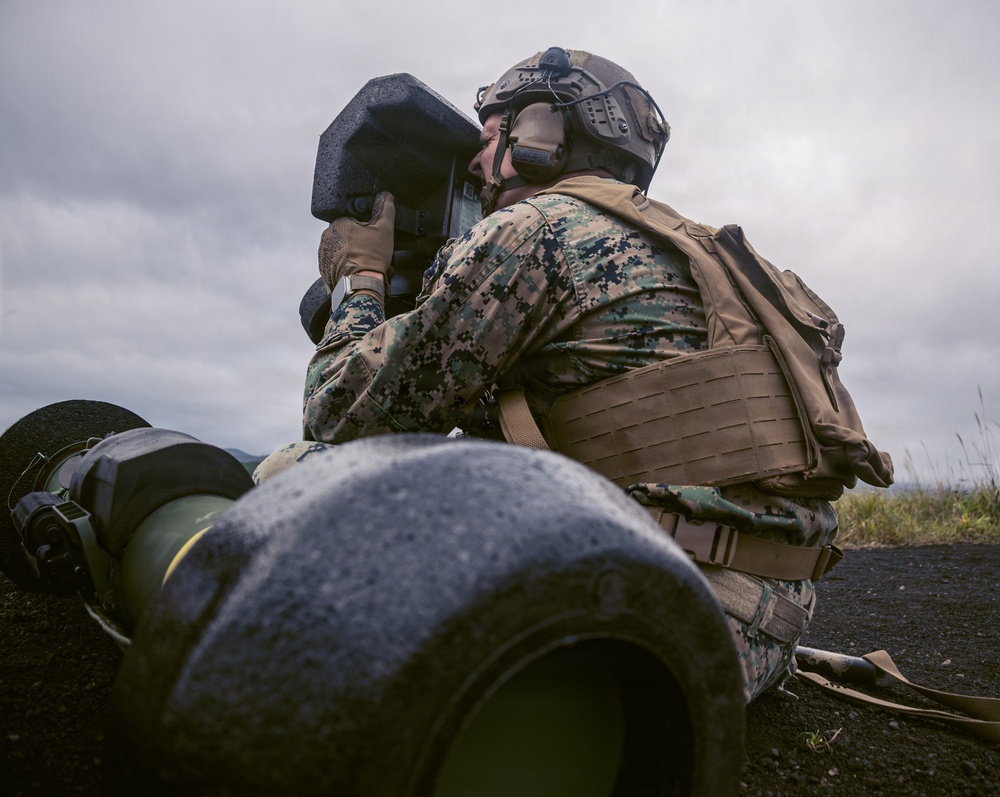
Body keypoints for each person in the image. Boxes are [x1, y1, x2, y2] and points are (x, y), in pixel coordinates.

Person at [262, 47, 892, 702]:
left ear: (540, 136)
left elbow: (340, 413)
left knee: (293, 473)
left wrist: (359, 280)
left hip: (664, 633)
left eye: (487, 140)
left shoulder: (533, 231)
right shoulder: (697, 246)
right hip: (765, 624)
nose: (476, 163)